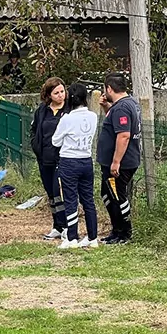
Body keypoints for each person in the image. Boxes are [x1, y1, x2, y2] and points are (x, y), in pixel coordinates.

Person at [51, 83, 99, 249]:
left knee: (71, 199)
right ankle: (93, 237)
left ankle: (72, 237)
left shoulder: (67, 119)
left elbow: (55, 141)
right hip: (86, 160)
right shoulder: (93, 116)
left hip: (69, 161)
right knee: (88, 200)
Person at [96, 72, 142, 245]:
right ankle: (116, 230)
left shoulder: (122, 107)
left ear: (109, 88)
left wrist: (116, 162)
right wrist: (107, 108)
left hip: (120, 164)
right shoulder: (127, 104)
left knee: (118, 196)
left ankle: (125, 233)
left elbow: (123, 135)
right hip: (117, 162)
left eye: (104, 88)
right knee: (107, 194)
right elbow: (117, 122)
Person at [30, 77, 68, 241]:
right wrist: (35, 145)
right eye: (56, 93)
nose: (60, 95)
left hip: (62, 159)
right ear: (49, 95)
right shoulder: (42, 110)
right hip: (44, 158)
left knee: (59, 191)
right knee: (50, 194)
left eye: (62, 91)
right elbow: (34, 130)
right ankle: (57, 226)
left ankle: (67, 225)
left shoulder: (69, 110)